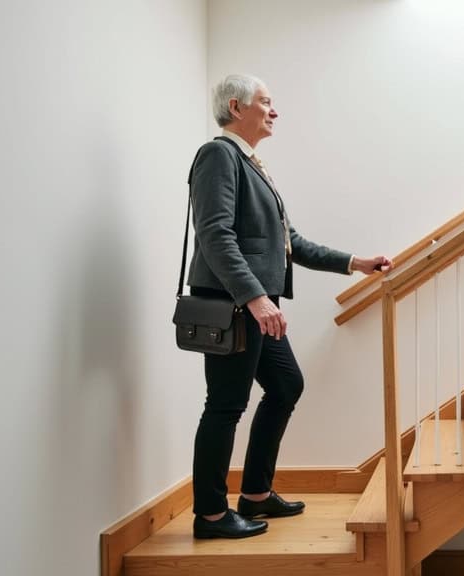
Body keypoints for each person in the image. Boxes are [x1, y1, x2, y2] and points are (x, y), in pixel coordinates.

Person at [186, 74, 392, 539]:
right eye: (266, 102)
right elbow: (215, 235)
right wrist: (256, 298)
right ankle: (211, 515)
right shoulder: (218, 155)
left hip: (254, 305)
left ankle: (256, 493)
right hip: (235, 304)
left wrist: (354, 262)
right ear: (237, 108)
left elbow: (288, 241)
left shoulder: (252, 165)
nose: (273, 110)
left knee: (285, 385)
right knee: (225, 405)